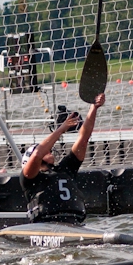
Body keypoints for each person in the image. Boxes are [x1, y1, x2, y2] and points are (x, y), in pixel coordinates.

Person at [20, 93, 105, 224]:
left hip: (74, 222)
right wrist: (61, 129)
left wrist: (94, 108)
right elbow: (37, 154)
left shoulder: (65, 169)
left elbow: (83, 139)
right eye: (46, 150)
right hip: (46, 224)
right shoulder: (29, 179)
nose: (50, 150)